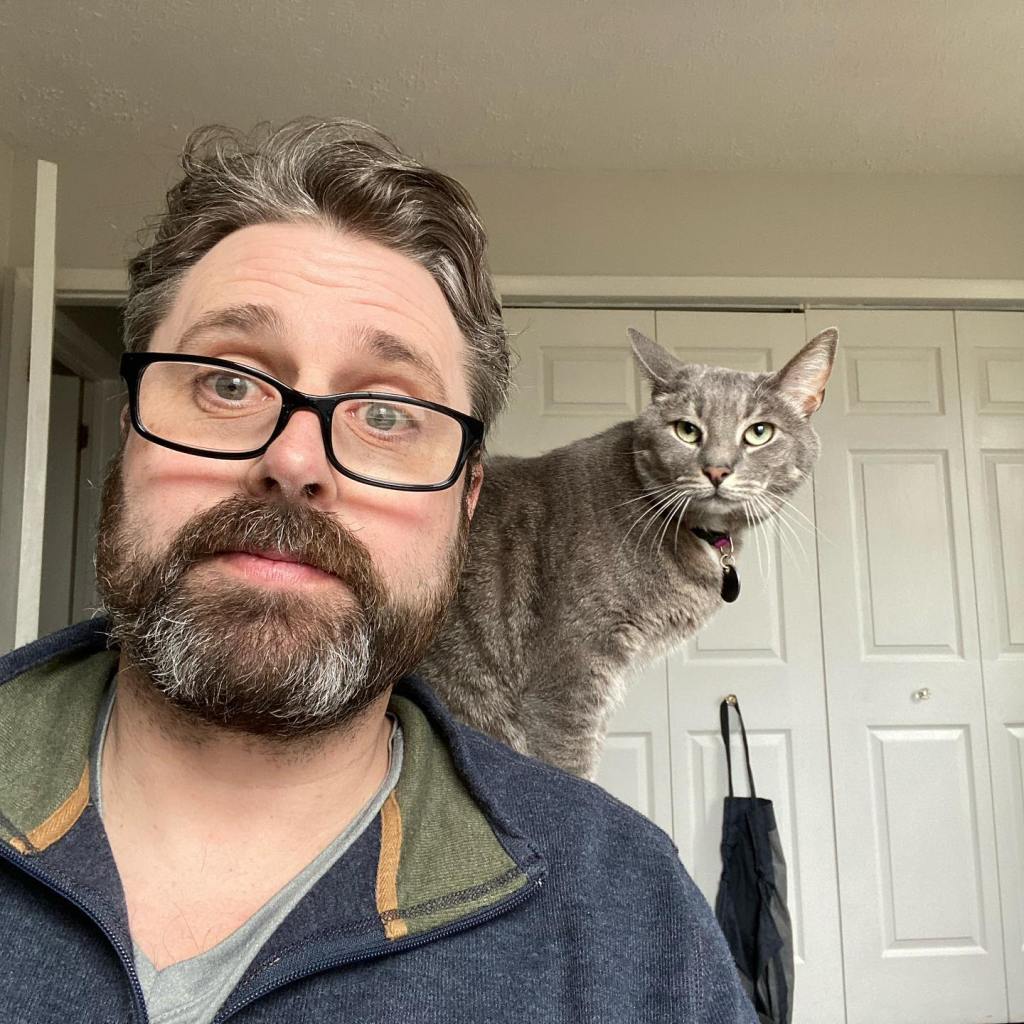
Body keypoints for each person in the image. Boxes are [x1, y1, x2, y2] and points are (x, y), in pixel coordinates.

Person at [0, 119, 757, 1024]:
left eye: (389, 413)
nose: (295, 460)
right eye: (227, 382)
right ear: (129, 431)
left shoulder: (632, 916)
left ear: (469, 497)